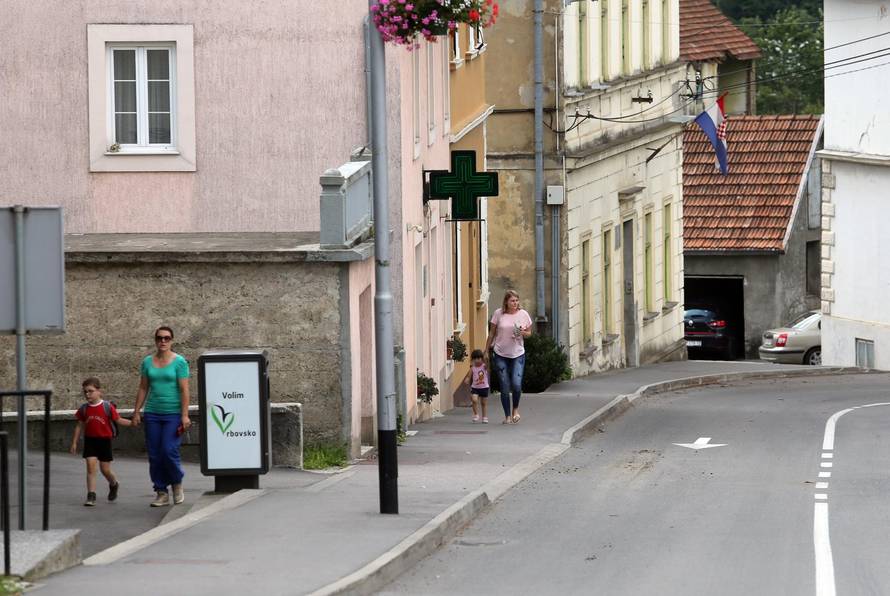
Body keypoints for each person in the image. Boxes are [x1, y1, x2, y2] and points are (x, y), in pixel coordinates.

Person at [132, 326, 192, 507]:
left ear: (172, 340)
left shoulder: (179, 362)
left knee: (168, 450)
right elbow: (143, 387)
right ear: (155, 340)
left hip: (173, 414)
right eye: (159, 338)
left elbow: (184, 390)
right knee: (155, 454)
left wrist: (185, 415)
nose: (163, 341)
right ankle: (161, 492)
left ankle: (176, 482)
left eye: (166, 338)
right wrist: (137, 411)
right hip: (152, 413)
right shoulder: (147, 362)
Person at [70, 377, 133, 506]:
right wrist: (74, 442)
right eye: (85, 392)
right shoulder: (84, 409)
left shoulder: (107, 406)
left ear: (99, 391)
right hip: (90, 441)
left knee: (105, 470)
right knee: (90, 467)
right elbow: (79, 425)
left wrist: (133, 423)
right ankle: (91, 495)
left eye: (90, 391)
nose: (87, 394)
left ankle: (114, 484)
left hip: (104, 441)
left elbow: (118, 420)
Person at [484, 290, 533, 424]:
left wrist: (523, 332)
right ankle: (507, 416)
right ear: (506, 302)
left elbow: (529, 333)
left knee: (516, 384)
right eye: (512, 301)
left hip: (518, 354)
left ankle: (515, 410)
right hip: (500, 354)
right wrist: (486, 350)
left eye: (516, 300)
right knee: (504, 386)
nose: (515, 303)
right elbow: (491, 333)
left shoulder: (523, 314)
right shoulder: (498, 314)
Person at [463, 349, 490, 423]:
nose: (477, 360)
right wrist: (467, 379)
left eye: (478, 358)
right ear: (472, 360)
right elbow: (469, 376)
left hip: (484, 387)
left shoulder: (484, 366)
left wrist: (486, 358)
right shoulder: (472, 368)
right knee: (474, 400)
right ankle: (476, 414)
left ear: (482, 358)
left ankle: (484, 417)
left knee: (483, 403)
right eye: (474, 359)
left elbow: (487, 364)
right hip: (475, 388)